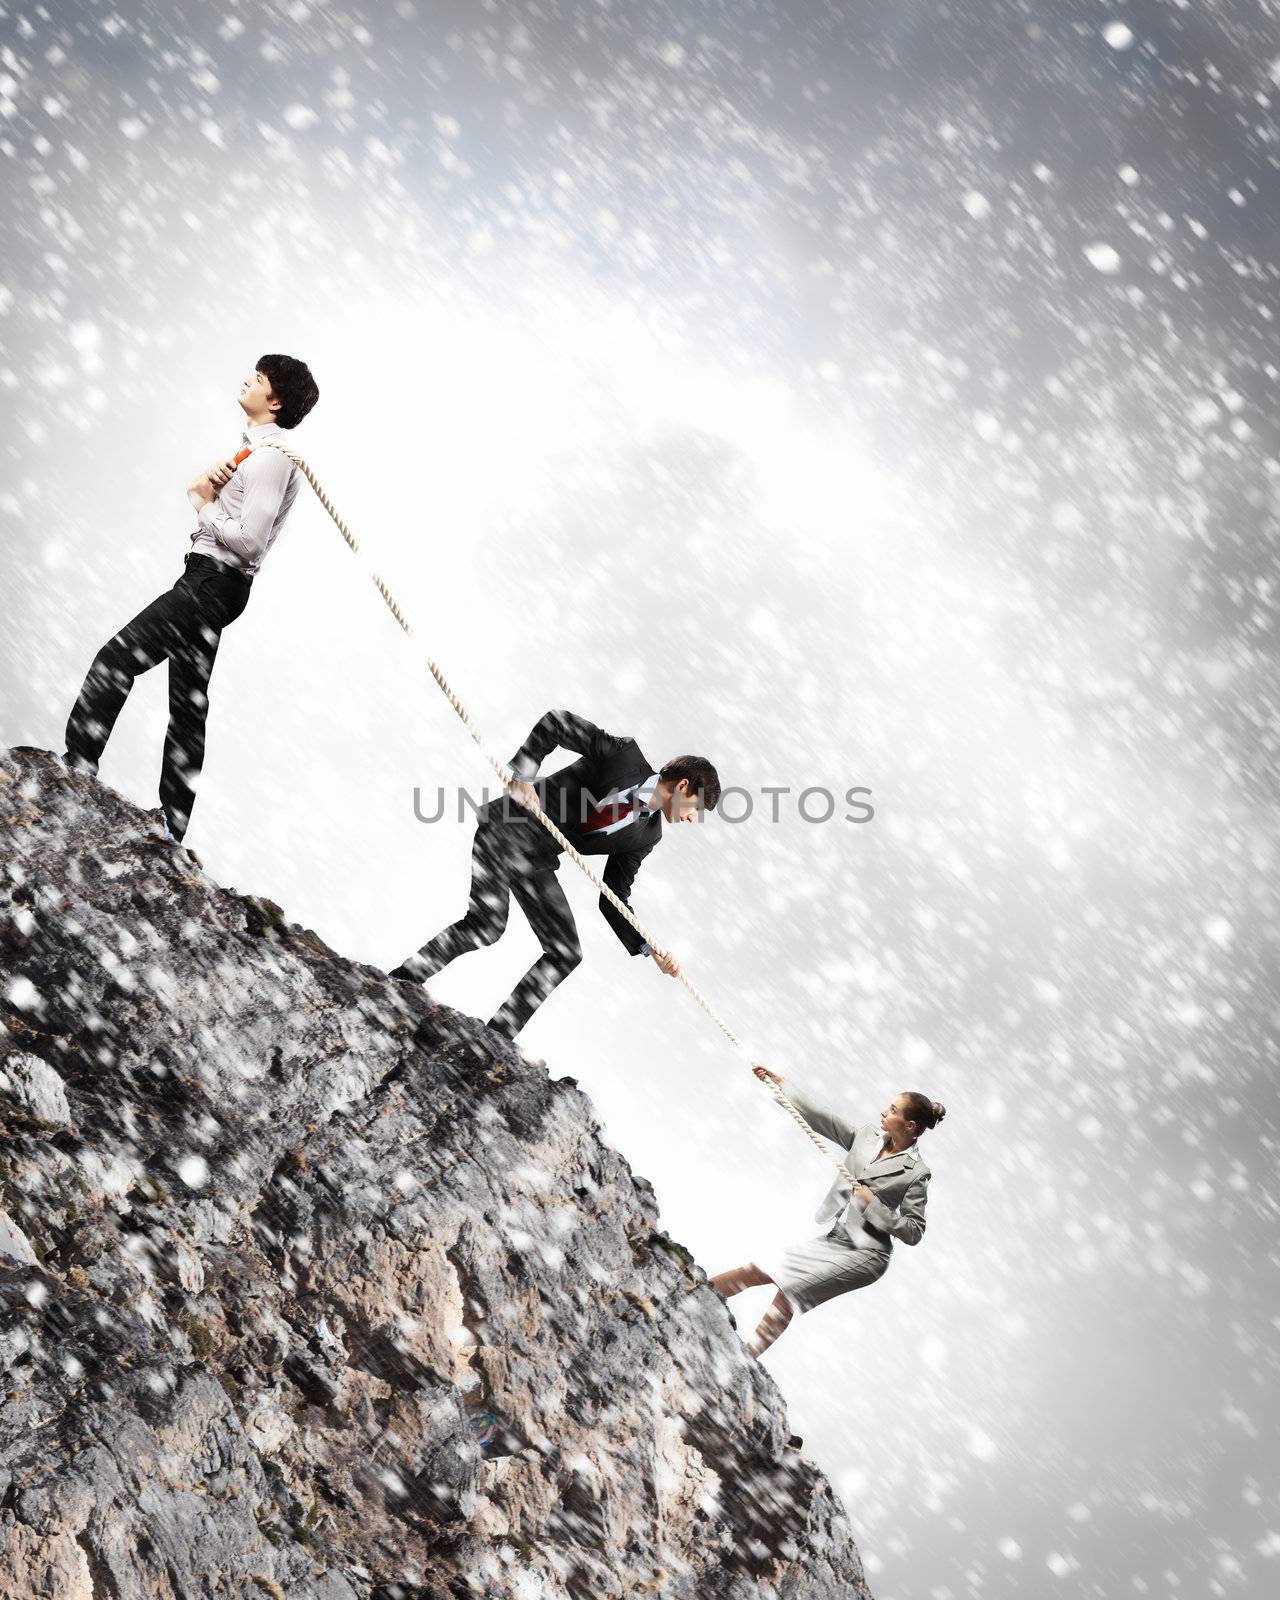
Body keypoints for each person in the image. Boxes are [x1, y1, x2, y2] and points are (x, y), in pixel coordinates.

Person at [62, 354, 320, 842]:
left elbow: (249, 541)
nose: (247, 379)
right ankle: (173, 827)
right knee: (188, 707)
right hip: (213, 584)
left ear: (275, 400)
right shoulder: (259, 453)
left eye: (259, 378)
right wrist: (213, 496)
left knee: (114, 661)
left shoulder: (269, 458)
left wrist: (203, 504)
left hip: (210, 584)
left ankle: (76, 769)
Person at [389, 708, 721, 1038]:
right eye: (696, 808)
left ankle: (496, 1039)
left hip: (536, 859)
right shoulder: (624, 755)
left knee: (565, 953)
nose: (692, 819)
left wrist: (650, 949)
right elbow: (557, 723)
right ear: (682, 786)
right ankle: (401, 982)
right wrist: (523, 776)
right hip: (507, 828)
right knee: (487, 925)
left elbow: (614, 897)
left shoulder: (648, 834)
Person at [712, 1065, 945, 1357]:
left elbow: (914, 1231)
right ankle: (692, 1291)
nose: (884, 1111)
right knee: (757, 1270)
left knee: (790, 1292)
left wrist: (872, 1205)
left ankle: (744, 1360)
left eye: (894, 1110)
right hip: (835, 1238)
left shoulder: (916, 1173)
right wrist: (784, 1085)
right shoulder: (868, 1135)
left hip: (866, 1255)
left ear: (910, 1125)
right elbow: (826, 1119)